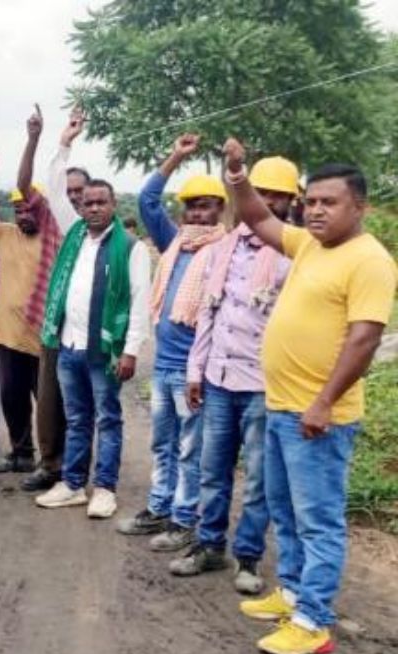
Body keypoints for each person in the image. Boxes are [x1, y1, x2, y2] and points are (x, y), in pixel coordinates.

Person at [224, 138, 396, 654]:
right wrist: (235, 175)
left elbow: (364, 338)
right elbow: (257, 218)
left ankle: (313, 620)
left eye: (330, 202)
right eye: (312, 201)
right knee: (286, 510)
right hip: (281, 406)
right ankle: (293, 592)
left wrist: (323, 403)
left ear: (359, 206)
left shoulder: (369, 260)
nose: (316, 210)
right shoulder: (309, 244)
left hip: (318, 417)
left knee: (319, 520)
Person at [168, 156, 298, 592]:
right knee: (212, 469)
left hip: (264, 383)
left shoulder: (293, 251)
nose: (272, 201)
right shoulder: (221, 251)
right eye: (264, 193)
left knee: (259, 479)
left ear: (290, 201)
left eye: (281, 195)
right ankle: (208, 547)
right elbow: (208, 312)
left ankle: (248, 558)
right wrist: (195, 371)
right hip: (220, 380)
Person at [117, 133, 228, 553]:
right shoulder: (175, 242)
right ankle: (160, 507)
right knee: (162, 443)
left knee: (189, 450)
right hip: (163, 367)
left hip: (194, 372)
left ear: (220, 209)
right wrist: (176, 156)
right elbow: (147, 200)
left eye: (206, 205)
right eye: (193, 205)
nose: (198, 212)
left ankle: (185, 519)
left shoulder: (223, 250)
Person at [35, 177, 152, 519]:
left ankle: (104, 489)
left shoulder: (131, 247)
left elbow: (139, 302)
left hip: (104, 351)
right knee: (76, 420)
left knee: (109, 419)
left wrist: (130, 350)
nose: (95, 208)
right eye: (89, 203)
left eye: (102, 202)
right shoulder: (74, 240)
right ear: (81, 208)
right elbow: (54, 190)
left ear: (114, 206)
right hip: (69, 345)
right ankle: (72, 485)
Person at [0, 106, 69, 476]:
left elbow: (26, 183)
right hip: (7, 335)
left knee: (50, 405)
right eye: (17, 207)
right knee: (11, 398)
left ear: (40, 211)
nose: (23, 212)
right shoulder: (4, 234)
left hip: (42, 336)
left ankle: (53, 462)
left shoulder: (53, 237)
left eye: (29, 207)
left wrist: (34, 139)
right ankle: (21, 454)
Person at [25, 106, 91, 492]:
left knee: (86, 404)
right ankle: (51, 465)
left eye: (85, 194)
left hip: (92, 330)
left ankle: (82, 471)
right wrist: (63, 143)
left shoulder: (115, 238)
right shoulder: (72, 226)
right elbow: (51, 184)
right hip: (58, 324)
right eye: (73, 195)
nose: (81, 201)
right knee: (50, 398)